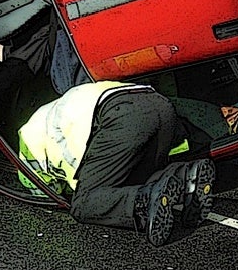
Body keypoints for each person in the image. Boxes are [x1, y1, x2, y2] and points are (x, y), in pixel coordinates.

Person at [17, 81, 217, 247]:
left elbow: (55, 189)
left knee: (84, 203)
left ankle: (143, 202)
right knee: (133, 178)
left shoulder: (30, 149)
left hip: (122, 115)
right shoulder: (48, 116)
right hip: (159, 104)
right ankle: (186, 176)